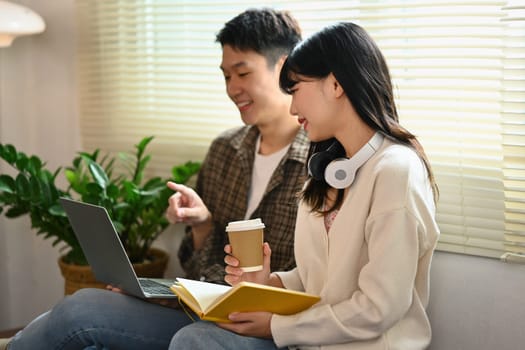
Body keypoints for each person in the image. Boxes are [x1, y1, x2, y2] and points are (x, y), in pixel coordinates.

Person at [2, 8, 308, 350]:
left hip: (268, 330)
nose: (232, 88)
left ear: (283, 67)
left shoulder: (319, 162)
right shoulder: (226, 149)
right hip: (205, 313)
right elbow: (201, 272)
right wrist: (202, 227)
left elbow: (312, 282)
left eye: (242, 73)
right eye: (225, 76)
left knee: (189, 339)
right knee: (80, 307)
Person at [169, 22, 440, 350]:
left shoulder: (396, 170)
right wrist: (269, 283)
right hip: (310, 343)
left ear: (336, 83)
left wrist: (275, 326)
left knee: (194, 342)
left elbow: (378, 308)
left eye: (296, 89)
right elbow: (317, 278)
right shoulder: (329, 168)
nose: (293, 108)